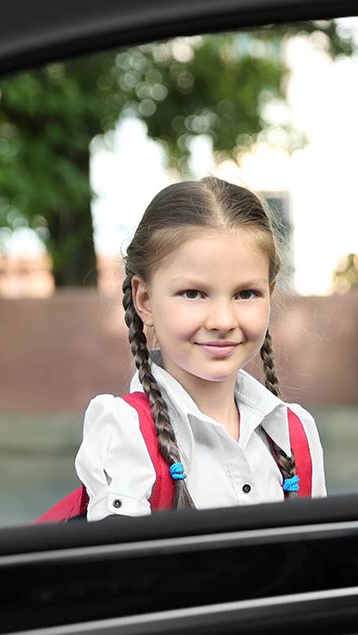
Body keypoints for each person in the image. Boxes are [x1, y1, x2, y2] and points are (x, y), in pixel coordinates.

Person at [75, 177, 326, 521]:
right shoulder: (125, 433)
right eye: (193, 293)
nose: (223, 321)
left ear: (270, 293)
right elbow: (122, 572)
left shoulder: (297, 432)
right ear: (144, 300)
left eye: (246, 294)